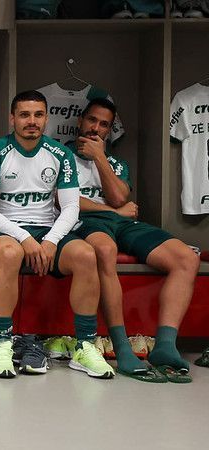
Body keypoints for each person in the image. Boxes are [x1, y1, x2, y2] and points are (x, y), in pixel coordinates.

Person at [0, 90, 114, 379]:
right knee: (11, 254)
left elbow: (72, 207)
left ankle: (84, 347)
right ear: (12, 118)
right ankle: (2, 345)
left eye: (38, 115)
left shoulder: (60, 154)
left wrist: (50, 241)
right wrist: (24, 239)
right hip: (5, 228)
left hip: (48, 229)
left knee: (86, 255)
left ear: (46, 118)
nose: (32, 121)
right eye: (24, 115)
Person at [70, 97, 199, 383]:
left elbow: (119, 195)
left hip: (123, 223)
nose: (96, 128)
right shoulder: (59, 156)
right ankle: (121, 345)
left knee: (186, 258)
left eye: (104, 124)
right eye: (92, 120)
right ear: (80, 121)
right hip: (85, 223)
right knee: (105, 249)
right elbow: (66, 201)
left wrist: (100, 158)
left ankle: (165, 346)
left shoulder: (115, 162)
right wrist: (114, 210)